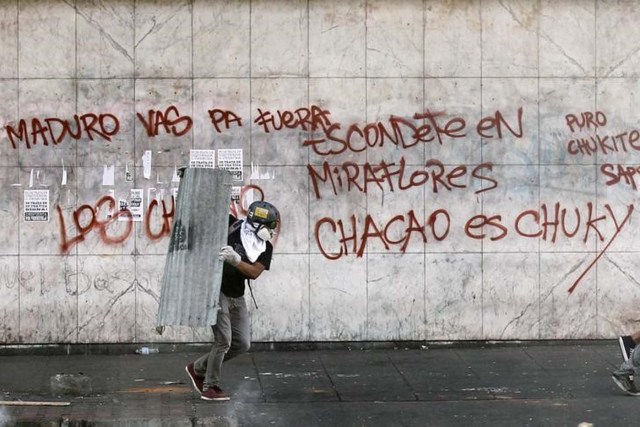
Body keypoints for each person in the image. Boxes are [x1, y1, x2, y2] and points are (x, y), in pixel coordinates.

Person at [184, 200, 280, 401]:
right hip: (215, 290)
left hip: (237, 295)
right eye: (270, 226)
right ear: (257, 224)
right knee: (223, 340)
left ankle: (198, 368)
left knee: (242, 343)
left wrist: (235, 260)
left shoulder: (265, 248)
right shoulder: (232, 225)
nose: (272, 230)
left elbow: (254, 273)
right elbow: (207, 213)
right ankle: (210, 387)